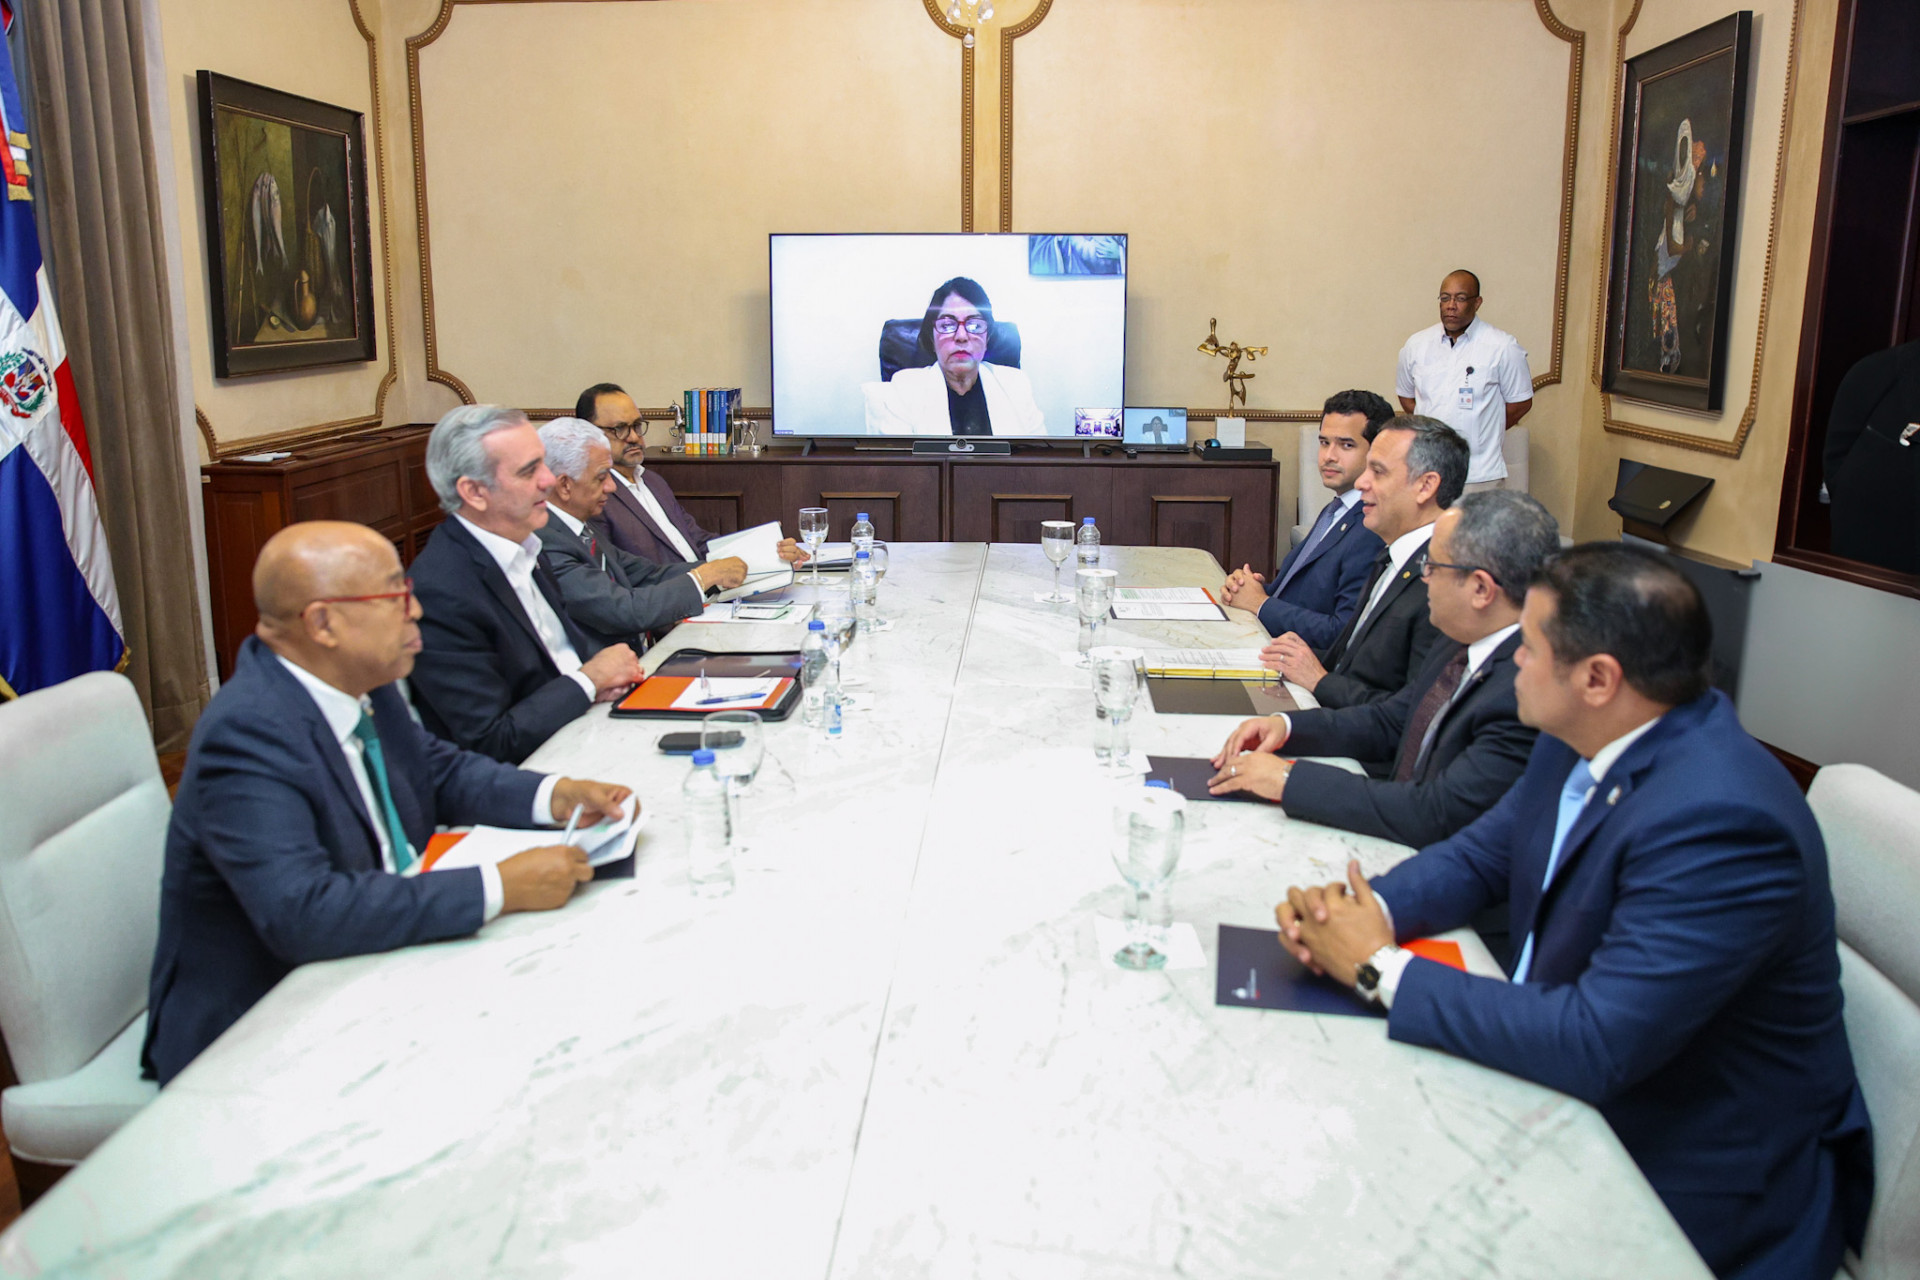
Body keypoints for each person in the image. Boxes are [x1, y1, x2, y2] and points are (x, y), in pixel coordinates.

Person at [1271, 544, 1872, 1277]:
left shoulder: (1724, 821)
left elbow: (1596, 1043)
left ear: (1597, 678)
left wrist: (1376, 967)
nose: (1511, 661)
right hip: (1560, 1078)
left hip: (1686, 1178)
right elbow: (1482, 855)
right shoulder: (1590, 732)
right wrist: (1359, 914)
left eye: (1528, 646)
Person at [142, 522, 631, 1085]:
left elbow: (438, 770)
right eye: (395, 596)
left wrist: (554, 794)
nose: (415, 610)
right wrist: (499, 886)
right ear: (322, 623)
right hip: (258, 1033)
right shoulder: (249, 732)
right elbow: (303, 912)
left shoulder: (359, 676)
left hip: (378, 957)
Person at [1210, 491, 1556, 848]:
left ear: (1481, 589)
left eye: (1433, 567)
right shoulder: (1459, 642)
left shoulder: (1522, 689)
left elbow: (1434, 812)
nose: (1423, 578)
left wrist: (1288, 779)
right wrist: (1287, 726)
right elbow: (1392, 720)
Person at [409, 405, 645, 764]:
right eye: (529, 470)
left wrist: (600, 680)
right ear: (474, 491)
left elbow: (561, 661)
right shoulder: (442, 590)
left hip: (587, 732)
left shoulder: (528, 546)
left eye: (543, 465)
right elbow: (491, 741)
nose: (548, 481)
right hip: (533, 771)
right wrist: (589, 680)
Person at [1262, 415, 1466, 713]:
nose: (1361, 483)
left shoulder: (1442, 580)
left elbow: (1408, 715)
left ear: (1425, 486)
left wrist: (1318, 683)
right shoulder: (1392, 556)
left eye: (1378, 472)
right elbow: (1349, 659)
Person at [535, 418, 746, 650]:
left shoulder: (581, 528)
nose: (611, 487)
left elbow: (647, 574)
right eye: (601, 477)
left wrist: (720, 571)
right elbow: (620, 610)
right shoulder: (546, 542)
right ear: (565, 485)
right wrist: (702, 578)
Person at [1221, 390, 1391, 647]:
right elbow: (1300, 595)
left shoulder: (1372, 526)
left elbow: (1342, 633)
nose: (1329, 456)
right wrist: (1249, 590)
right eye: (1324, 442)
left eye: (1346, 445)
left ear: (1377, 451)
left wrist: (1261, 604)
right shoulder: (1335, 509)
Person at [576, 383, 808, 568]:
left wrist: (768, 548)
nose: (634, 437)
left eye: (637, 425)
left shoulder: (653, 481)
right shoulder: (596, 499)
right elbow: (622, 576)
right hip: (673, 603)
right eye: (619, 429)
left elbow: (698, 541)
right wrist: (703, 577)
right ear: (588, 433)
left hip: (709, 592)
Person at [1396, 270, 1533, 492]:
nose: (1451, 306)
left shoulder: (1502, 347)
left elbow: (1520, 403)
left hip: (1479, 475)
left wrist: (1484, 429)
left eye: (1460, 298)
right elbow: (1406, 396)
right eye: (1445, 298)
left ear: (1477, 303)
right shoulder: (1416, 345)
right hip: (1427, 469)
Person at [862, 277, 1046, 436]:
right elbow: (898, 463)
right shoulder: (904, 389)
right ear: (932, 336)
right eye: (947, 325)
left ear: (987, 336)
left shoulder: (1016, 385)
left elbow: (1038, 457)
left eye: (975, 325)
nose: (961, 336)